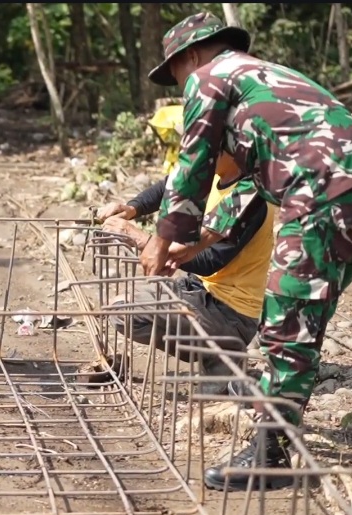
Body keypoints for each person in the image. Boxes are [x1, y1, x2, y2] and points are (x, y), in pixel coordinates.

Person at [142, 12, 352, 492]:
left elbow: (193, 162)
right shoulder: (268, 83)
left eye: (174, 73)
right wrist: (195, 241)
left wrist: (162, 237)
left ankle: (269, 453)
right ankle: (276, 434)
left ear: (190, 57)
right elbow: (250, 187)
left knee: (285, 323)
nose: (178, 85)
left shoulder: (210, 77)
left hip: (319, 192)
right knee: (301, 318)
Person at [97, 155, 274, 396]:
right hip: (201, 289)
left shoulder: (249, 197)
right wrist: (133, 208)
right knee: (120, 310)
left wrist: (144, 240)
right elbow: (170, 187)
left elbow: (211, 260)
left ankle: (223, 356)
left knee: (127, 311)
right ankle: (216, 358)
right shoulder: (214, 174)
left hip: (231, 312)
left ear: (231, 147)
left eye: (208, 146)